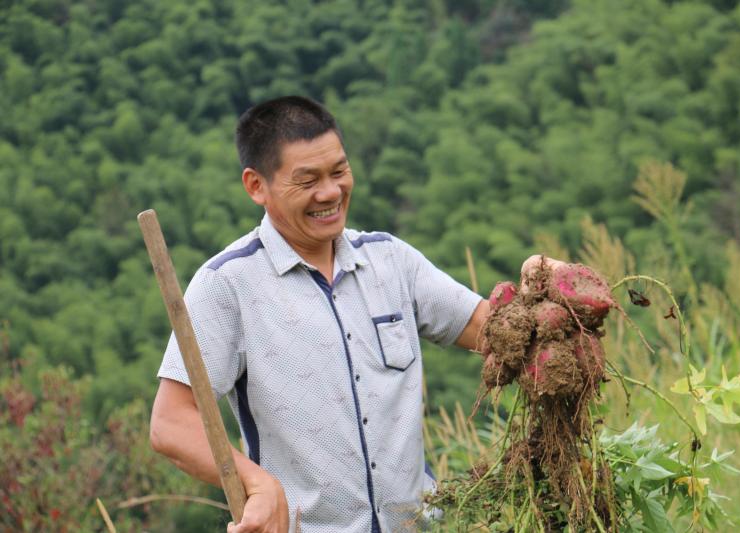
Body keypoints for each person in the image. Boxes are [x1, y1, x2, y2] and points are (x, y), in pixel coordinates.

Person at [150, 96, 518, 532]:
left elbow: (487, 328)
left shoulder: (390, 261)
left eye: (339, 172)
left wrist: (548, 304)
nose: (329, 193)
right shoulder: (228, 285)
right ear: (256, 186)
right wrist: (256, 482)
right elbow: (171, 422)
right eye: (307, 180)